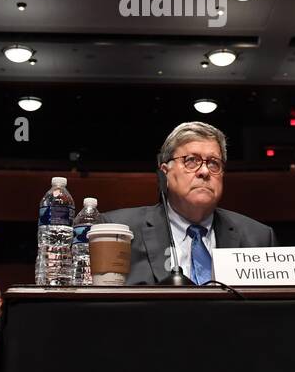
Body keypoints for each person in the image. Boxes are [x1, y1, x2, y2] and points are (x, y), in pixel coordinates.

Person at [99, 121, 278, 285]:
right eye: (191, 161)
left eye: (214, 163)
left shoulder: (258, 238)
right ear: (165, 173)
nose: (205, 171)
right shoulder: (118, 230)